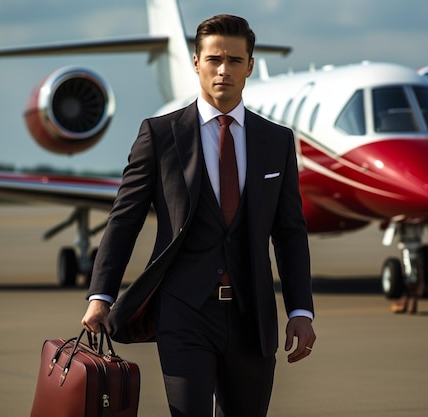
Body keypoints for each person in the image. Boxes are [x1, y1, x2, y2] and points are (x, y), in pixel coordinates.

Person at [81, 14, 316, 417]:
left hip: (252, 317)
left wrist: (300, 311)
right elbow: (124, 220)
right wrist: (100, 296)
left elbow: (290, 232)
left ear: (251, 66)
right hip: (184, 313)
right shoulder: (159, 135)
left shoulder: (276, 141)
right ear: (196, 63)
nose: (224, 70)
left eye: (235, 60)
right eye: (214, 59)